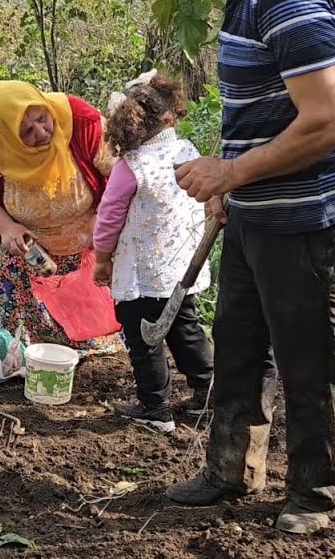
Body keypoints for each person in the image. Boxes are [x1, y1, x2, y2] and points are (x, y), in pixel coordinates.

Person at [150, 0, 335, 534]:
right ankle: (229, 471)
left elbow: (326, 124)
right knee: (241, 344)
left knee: (307, 359)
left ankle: (315, 494)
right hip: (261, 213)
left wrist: (230, 172)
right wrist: (234, 185)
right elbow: (267, 111)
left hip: (311, 222)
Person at [91, 70, 214, 434]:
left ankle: (155, 407)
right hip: (181, 266)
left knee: (144, 337)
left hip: (143, 272)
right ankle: (208, 392)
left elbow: (109, 217)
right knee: (184, 328)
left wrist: (101, 258)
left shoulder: (132, 168)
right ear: (170, 116)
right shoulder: (186, 151)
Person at [0, 81, 123, 354]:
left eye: (42, 118)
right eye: (26, 131)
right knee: (24, 336)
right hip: (31, 248)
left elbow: (121, 172)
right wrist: (7, 228)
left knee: (98, 316)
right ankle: (32, 354)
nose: (41, 132)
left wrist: (103, 215)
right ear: (8, 134)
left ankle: (91, 347)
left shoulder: (80, 122)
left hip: (91, 240)